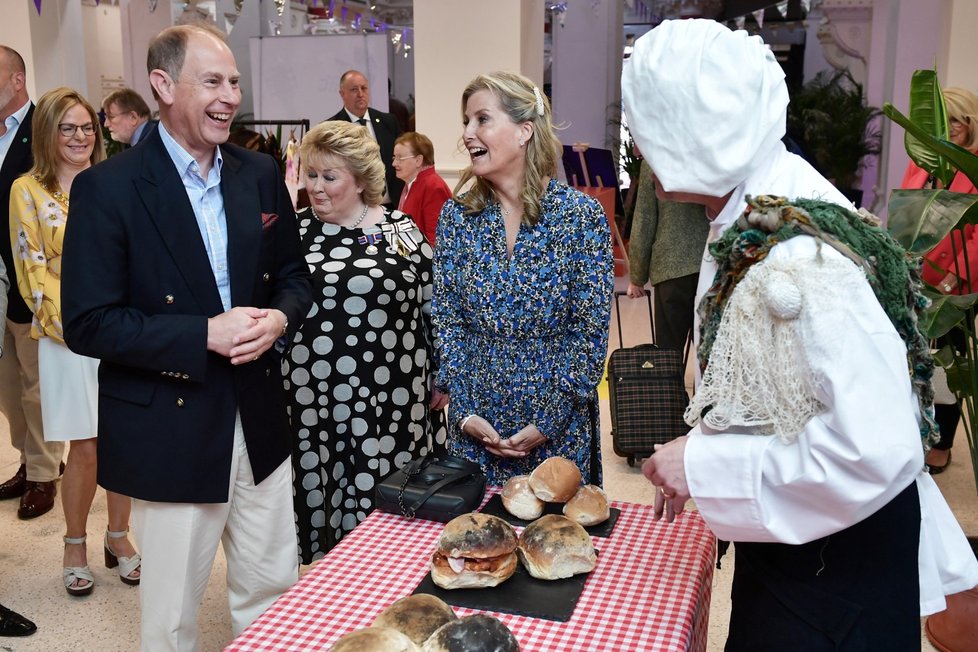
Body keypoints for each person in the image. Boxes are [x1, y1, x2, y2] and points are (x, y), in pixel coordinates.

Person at [622, 19, 978, 650]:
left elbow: (872, 448)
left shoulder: (796, 258)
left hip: (834, 581)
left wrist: (704, 464)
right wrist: (707, 440)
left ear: (689, 130)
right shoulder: (758, 202)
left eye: (647, 127)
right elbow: (783, 383)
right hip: (814, 549)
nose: (641, 152)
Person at [60, 24, 311, 650]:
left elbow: (293, 279)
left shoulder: (257, 172)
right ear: (163, 85)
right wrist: (202, 333)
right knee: (171, 614)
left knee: (272, 590)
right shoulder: (108, 189)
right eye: (213, 81)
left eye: (233, 81)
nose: (230, 94)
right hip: (169, 426)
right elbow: (88, 322)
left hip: (258, 417)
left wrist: (279, 319)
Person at [431, 71, 614, 486]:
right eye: (466, 121)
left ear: (524, 131)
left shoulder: (580, 218)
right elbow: (448, 319)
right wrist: (466, 410)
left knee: (554, 545)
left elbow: (589, 332)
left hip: (557, 430)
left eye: (481, 119)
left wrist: (549, 419)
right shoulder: (458, 218)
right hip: (476, 426)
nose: (467, 133)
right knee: (475, 548)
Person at [286, 120, 447, 562]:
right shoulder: (292, 232)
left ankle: (387, 576)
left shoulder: (398, 229)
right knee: (324, 489)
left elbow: (433, 303)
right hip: (312, 400)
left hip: (392, 398)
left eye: (329, 177)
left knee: (389, 502)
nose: (316, 187)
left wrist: (443, 373)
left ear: (360, 179)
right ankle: (332, 586)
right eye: (311, 174)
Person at [10, 86, 141, 596]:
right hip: (69, 336)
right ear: (47, 132)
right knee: (85, 448)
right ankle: (73, 543)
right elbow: (30, 270)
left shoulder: (115, 182)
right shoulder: (28, 189)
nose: (81, 136)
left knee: (123, 440)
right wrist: (86, 328)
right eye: (68, 127)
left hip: (125, 332)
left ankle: (119, 538)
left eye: (88, 126)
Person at [899, 86, 978, 474]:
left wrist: (952, 279)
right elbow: (904, 214)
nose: (951, 129)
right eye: (945, 121)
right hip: (914, 278)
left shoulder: (975, 165)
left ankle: (942, 442)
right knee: (909, 359)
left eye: (958, 121)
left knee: (949, 362)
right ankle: (911, 430)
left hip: (956, 287)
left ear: (971, 124)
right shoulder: (921, 162)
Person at [0, 44, 64, 521]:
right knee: (7, 387)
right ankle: (26, 458)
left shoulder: (45, 126)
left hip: (31, 281)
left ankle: (45, 473)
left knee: (36, 384)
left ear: (17, 80)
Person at [626, 157, 710, 351]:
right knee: (709, 351)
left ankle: (672, 381)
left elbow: (644, 220)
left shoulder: (655, 156)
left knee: (669, 351)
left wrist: (637, 277)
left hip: (670, 267)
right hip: (711, 261)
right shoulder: (713, 151)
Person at [327, 70, 403, 208]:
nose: (360, 94)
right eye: (354, 89)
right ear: (342, 94)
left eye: (364, 88)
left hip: (391, 205)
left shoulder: (388, 121)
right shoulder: (332, 128)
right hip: (354, 208)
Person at [393, 131, 451, 246]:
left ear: (418, 160)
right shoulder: (412, 183)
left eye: (400, 158)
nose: (394, 163)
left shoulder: (433, 186)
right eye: (394, 157)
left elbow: (437, 239)